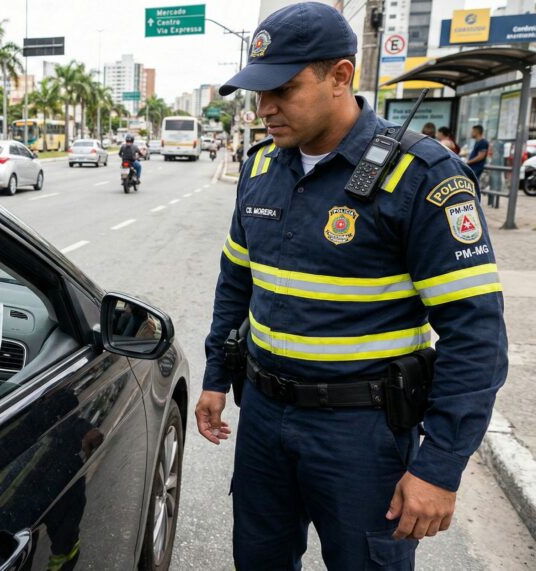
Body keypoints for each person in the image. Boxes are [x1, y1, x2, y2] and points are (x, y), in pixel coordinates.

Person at [197, 3, 508, 570]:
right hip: (264, 418)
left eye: (283, 90)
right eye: (257, 93)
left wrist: (438, 466)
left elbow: (476, 337)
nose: (264, 109)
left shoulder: (421, 177)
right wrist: (217, 376)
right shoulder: (262, 166)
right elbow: (235, 282)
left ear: (341, 76)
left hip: (362, 435)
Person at [467, 125, 490, 199]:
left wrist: (468, 162)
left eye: (472, 131)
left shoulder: (483, 142)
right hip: (473, 168)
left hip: (476, 169)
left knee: (473, 188)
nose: (471, 133)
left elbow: (481, 156)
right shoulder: (478, 142)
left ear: (477, 132)